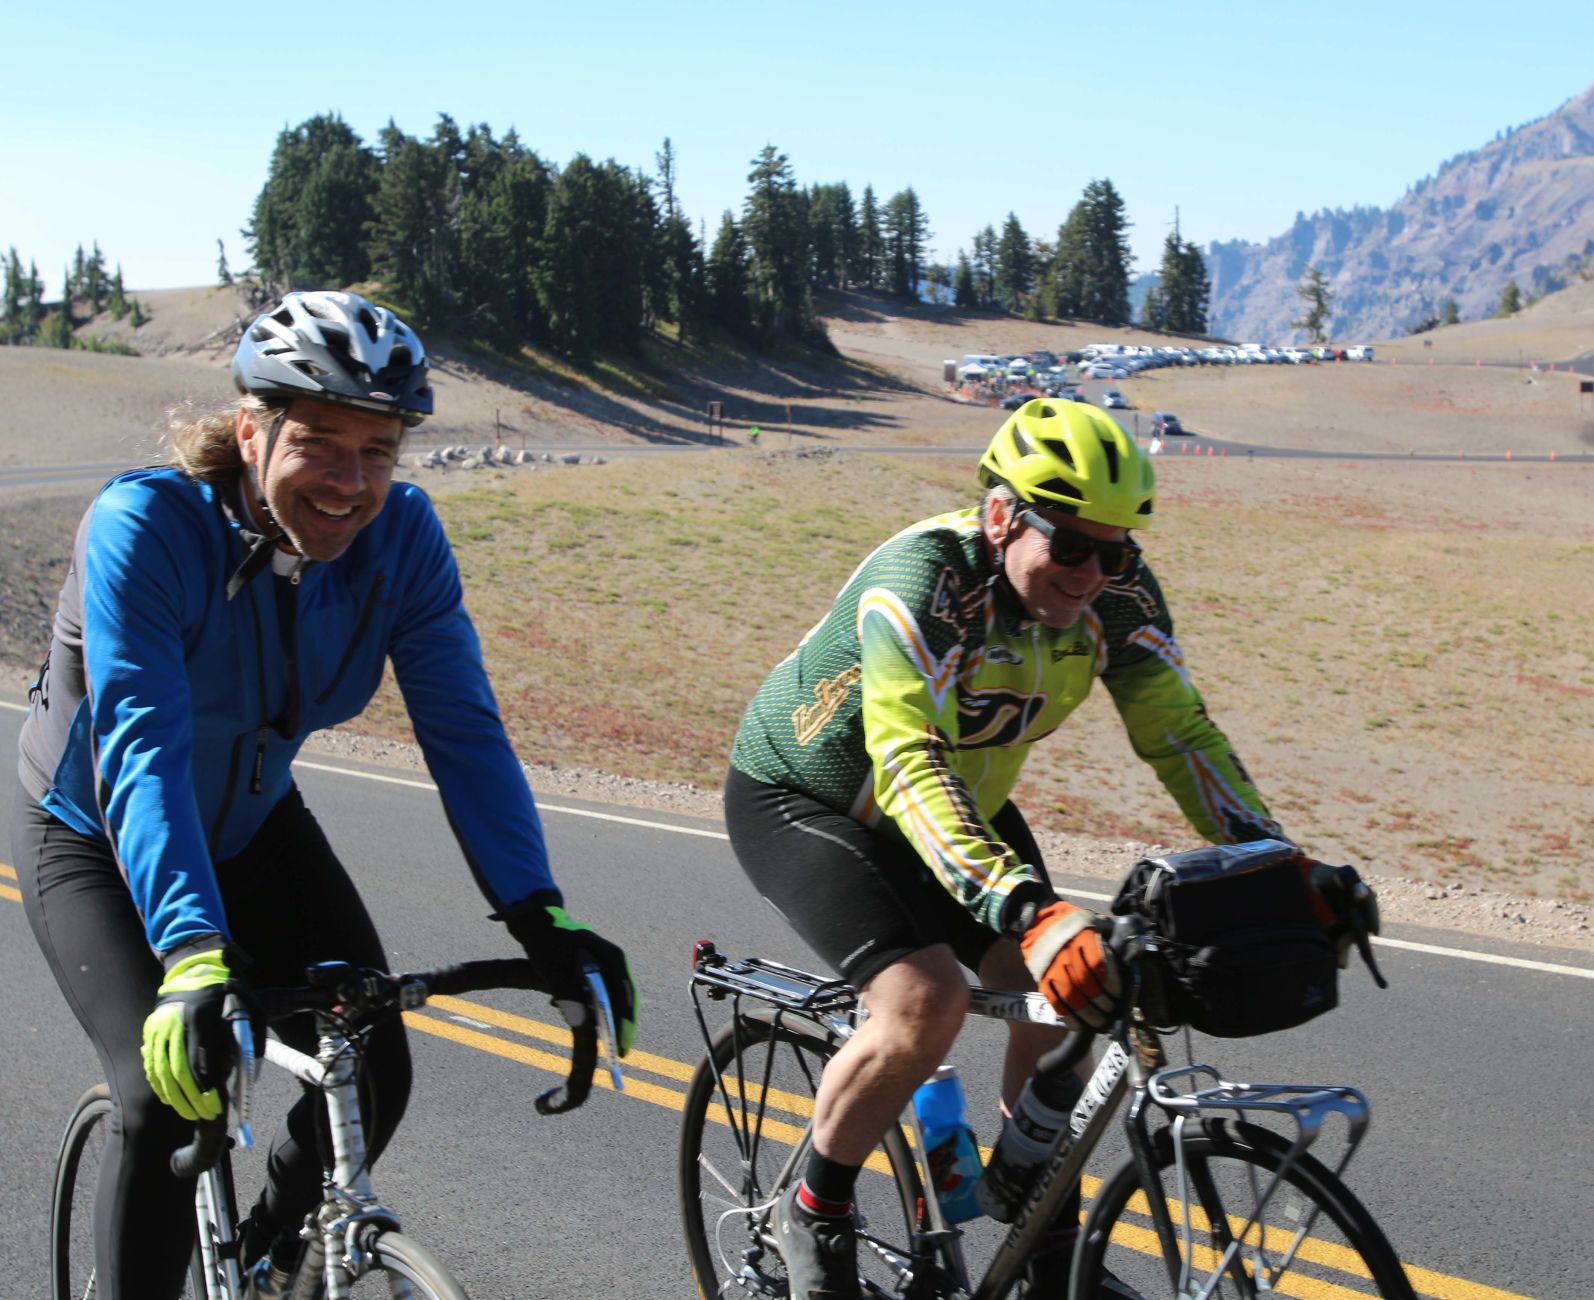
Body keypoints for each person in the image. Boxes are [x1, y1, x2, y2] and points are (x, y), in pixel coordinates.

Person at [13, 290, 637, 1300]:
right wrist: (189, 953)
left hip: (253, 826)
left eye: (380, 451)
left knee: (376, 1069)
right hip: (93, 830)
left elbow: (465, 732)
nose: (352, 482)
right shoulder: (146, 528)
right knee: (170, 1100)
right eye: (321, 443)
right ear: (250, 429)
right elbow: (142, 745)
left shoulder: (404, 540)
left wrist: (540, 909)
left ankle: (266, 1261)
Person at [722, 397, 1299, 1298]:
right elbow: (905, 762)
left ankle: (1039, 1239)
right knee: (925, 1003)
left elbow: (1179, 734)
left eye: (1114, 551)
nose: (1092, 573)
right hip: (812, 800)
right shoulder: (921, 581)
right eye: (1070, 546)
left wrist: (1278, 862)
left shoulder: (1120, 595)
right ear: (1000, 517)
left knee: (1078, 982)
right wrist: (1027, 908)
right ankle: (817, 1207)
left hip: (961, 801)